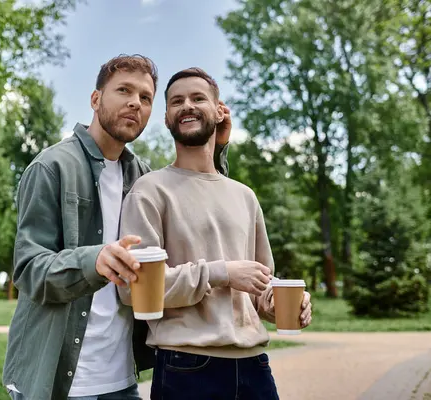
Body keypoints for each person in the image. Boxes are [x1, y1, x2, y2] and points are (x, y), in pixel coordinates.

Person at [2, 55, 232, 400]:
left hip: (120, 380)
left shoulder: (141, 176)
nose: (134, 103)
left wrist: (216, 148)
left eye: (145, 97)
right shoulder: (51, 167)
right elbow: (28, 268)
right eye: (123, 90)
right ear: (96, 100)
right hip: (58, 380)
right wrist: (93, 261)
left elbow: (197, 217)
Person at [117, 67, 313, 400]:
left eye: (198, 98)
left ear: (219, 110)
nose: (187, 106)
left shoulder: (244, 196)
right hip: (187, 368)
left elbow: (260, 285)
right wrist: (220, 272)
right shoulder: (149, 191)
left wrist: (282, 305)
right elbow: (133, 290)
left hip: (255, 366)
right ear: (167, 118)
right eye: (177, 101)